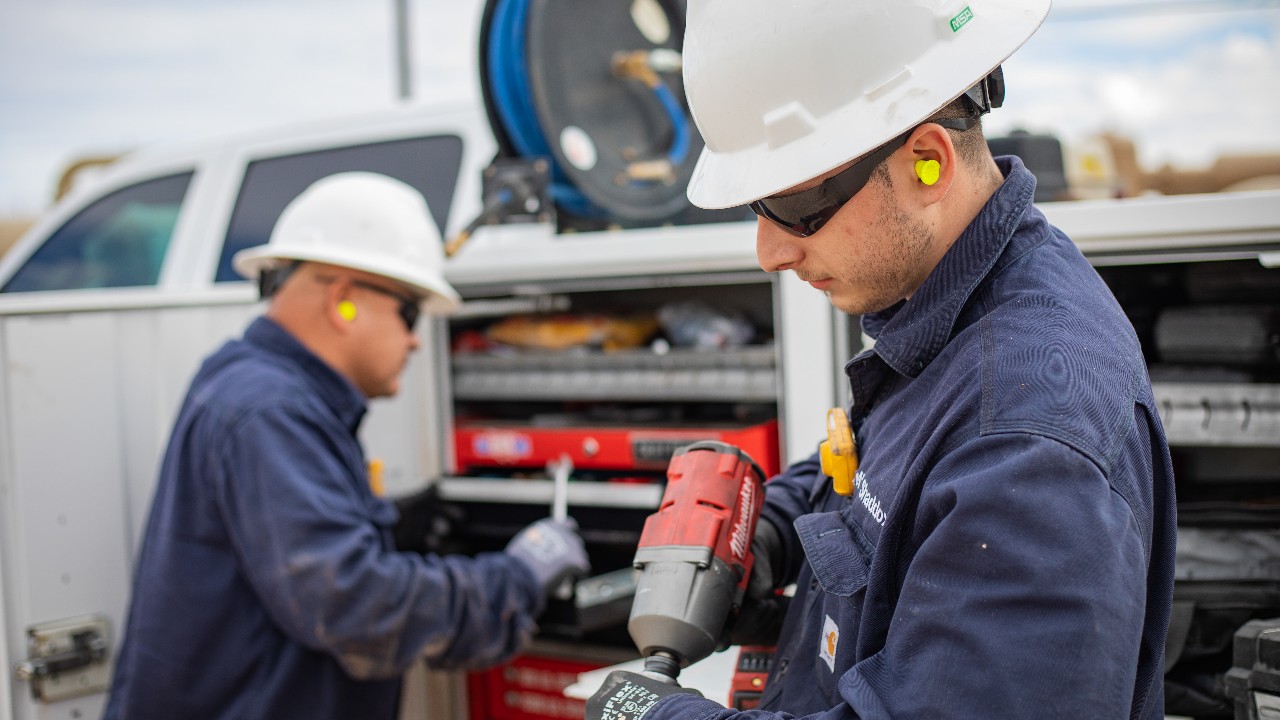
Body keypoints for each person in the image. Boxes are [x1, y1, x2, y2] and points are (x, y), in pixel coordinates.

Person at [587, 0, 1176, 718]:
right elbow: (881, 472)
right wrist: (771, 531)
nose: (770, 253)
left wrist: (658, 715)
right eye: (756, 209)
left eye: (796, 205)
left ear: (927, 161)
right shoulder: (946, 313)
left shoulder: (1028, 441)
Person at [104, 172, 589, 720]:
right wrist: (517, 577)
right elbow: (355, 609)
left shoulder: (252, 384)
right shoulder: (272, 409)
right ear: (343, 301)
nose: (414, 338)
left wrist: (395, 524)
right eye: (408, 312)